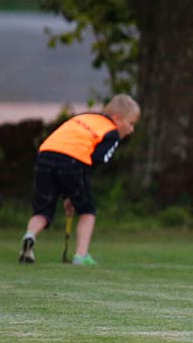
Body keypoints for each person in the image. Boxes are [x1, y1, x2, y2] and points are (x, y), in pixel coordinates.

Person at [18, 94, 140, 266]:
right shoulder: (111, 132)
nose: (131, 129)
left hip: (45, 155)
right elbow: (96, 161)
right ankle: (80, 255)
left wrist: (71, 194)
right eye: (131, 123)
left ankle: (29, 235)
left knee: (43, 210)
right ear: (117, 119)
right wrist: (73, 194)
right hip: (73, 161)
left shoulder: (84, 117)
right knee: (87, 209)